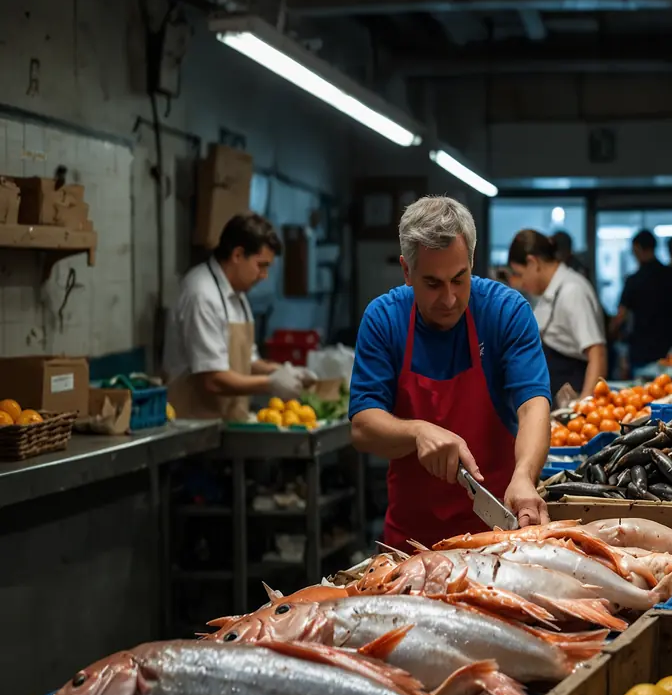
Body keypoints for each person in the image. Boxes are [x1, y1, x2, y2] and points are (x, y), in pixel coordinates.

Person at [349, 195, 553, 547]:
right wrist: (416, 431)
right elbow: (363, 425)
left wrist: (524, 475)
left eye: (459, 279)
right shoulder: (384, 319)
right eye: (432, 283)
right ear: (406, 270)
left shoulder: (505, 312)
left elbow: (533, 404)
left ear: (472, 261)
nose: (449, 298)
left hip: (498, 534)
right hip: (412, 544)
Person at [163, 213, 312, 420]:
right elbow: (213, 378)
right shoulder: (202, 294)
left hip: (225, 423)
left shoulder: (237, 296)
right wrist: (270, 384)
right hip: (192, 427)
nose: (264, 275)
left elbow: (246, 361)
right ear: (238, 255)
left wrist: (282, 371)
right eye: (261, 265)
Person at [508, 229, 607, 399]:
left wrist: (585, 405)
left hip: (577, 396)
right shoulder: (549, 292)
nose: (521, 282)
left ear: (533, 263)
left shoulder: (572, 290)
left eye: (519, 274)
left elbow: (597, 352)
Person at [611, 230, 672, 373]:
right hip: (671, 352)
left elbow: (620, 316)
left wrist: (610, 334)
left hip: (642, 353)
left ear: (637, 249)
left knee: (641, 394)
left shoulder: (634, 280)